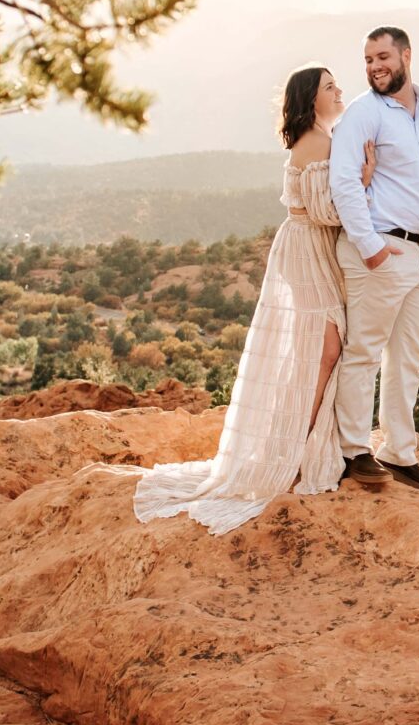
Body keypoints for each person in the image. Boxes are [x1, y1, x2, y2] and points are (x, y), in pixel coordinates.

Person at [129, 66, 365, 532]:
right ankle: (296, 454)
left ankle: (303, 444)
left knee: (316, 350)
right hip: (309, 250)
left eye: (338, 85)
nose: (340, 92)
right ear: (310, 99)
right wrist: (368, 174)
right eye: (330, 87)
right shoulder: (316, 143)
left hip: (312, 250)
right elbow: (325, 212)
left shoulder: (320, 137)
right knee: (324, 349)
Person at [327, 25, 419, 494]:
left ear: (406, 56)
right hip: (380, 249)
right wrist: (371, 246)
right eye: (369, 60)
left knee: (409, 357)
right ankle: (354, 451)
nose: (375, 67)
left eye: (383, 57)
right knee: (364, 353)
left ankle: (399, 452)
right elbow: (344, 182)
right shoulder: (363, 112)